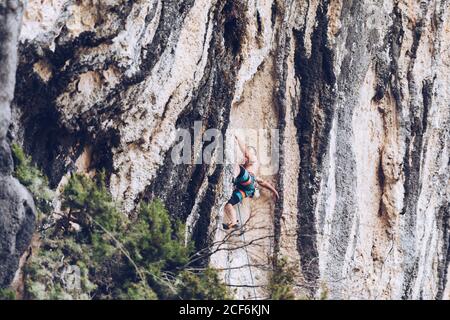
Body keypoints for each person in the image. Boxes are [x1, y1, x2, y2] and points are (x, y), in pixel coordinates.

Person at [223, 134, 279, 230]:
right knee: (229, 203)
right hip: (247, 190)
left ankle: (233, 177)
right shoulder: (252, 170)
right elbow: (263, 183)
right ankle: (233, 221)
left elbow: (246, 152)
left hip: (247, 182)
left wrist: (237, 138)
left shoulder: (253, 159)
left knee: (238, 168)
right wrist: (274, 191)